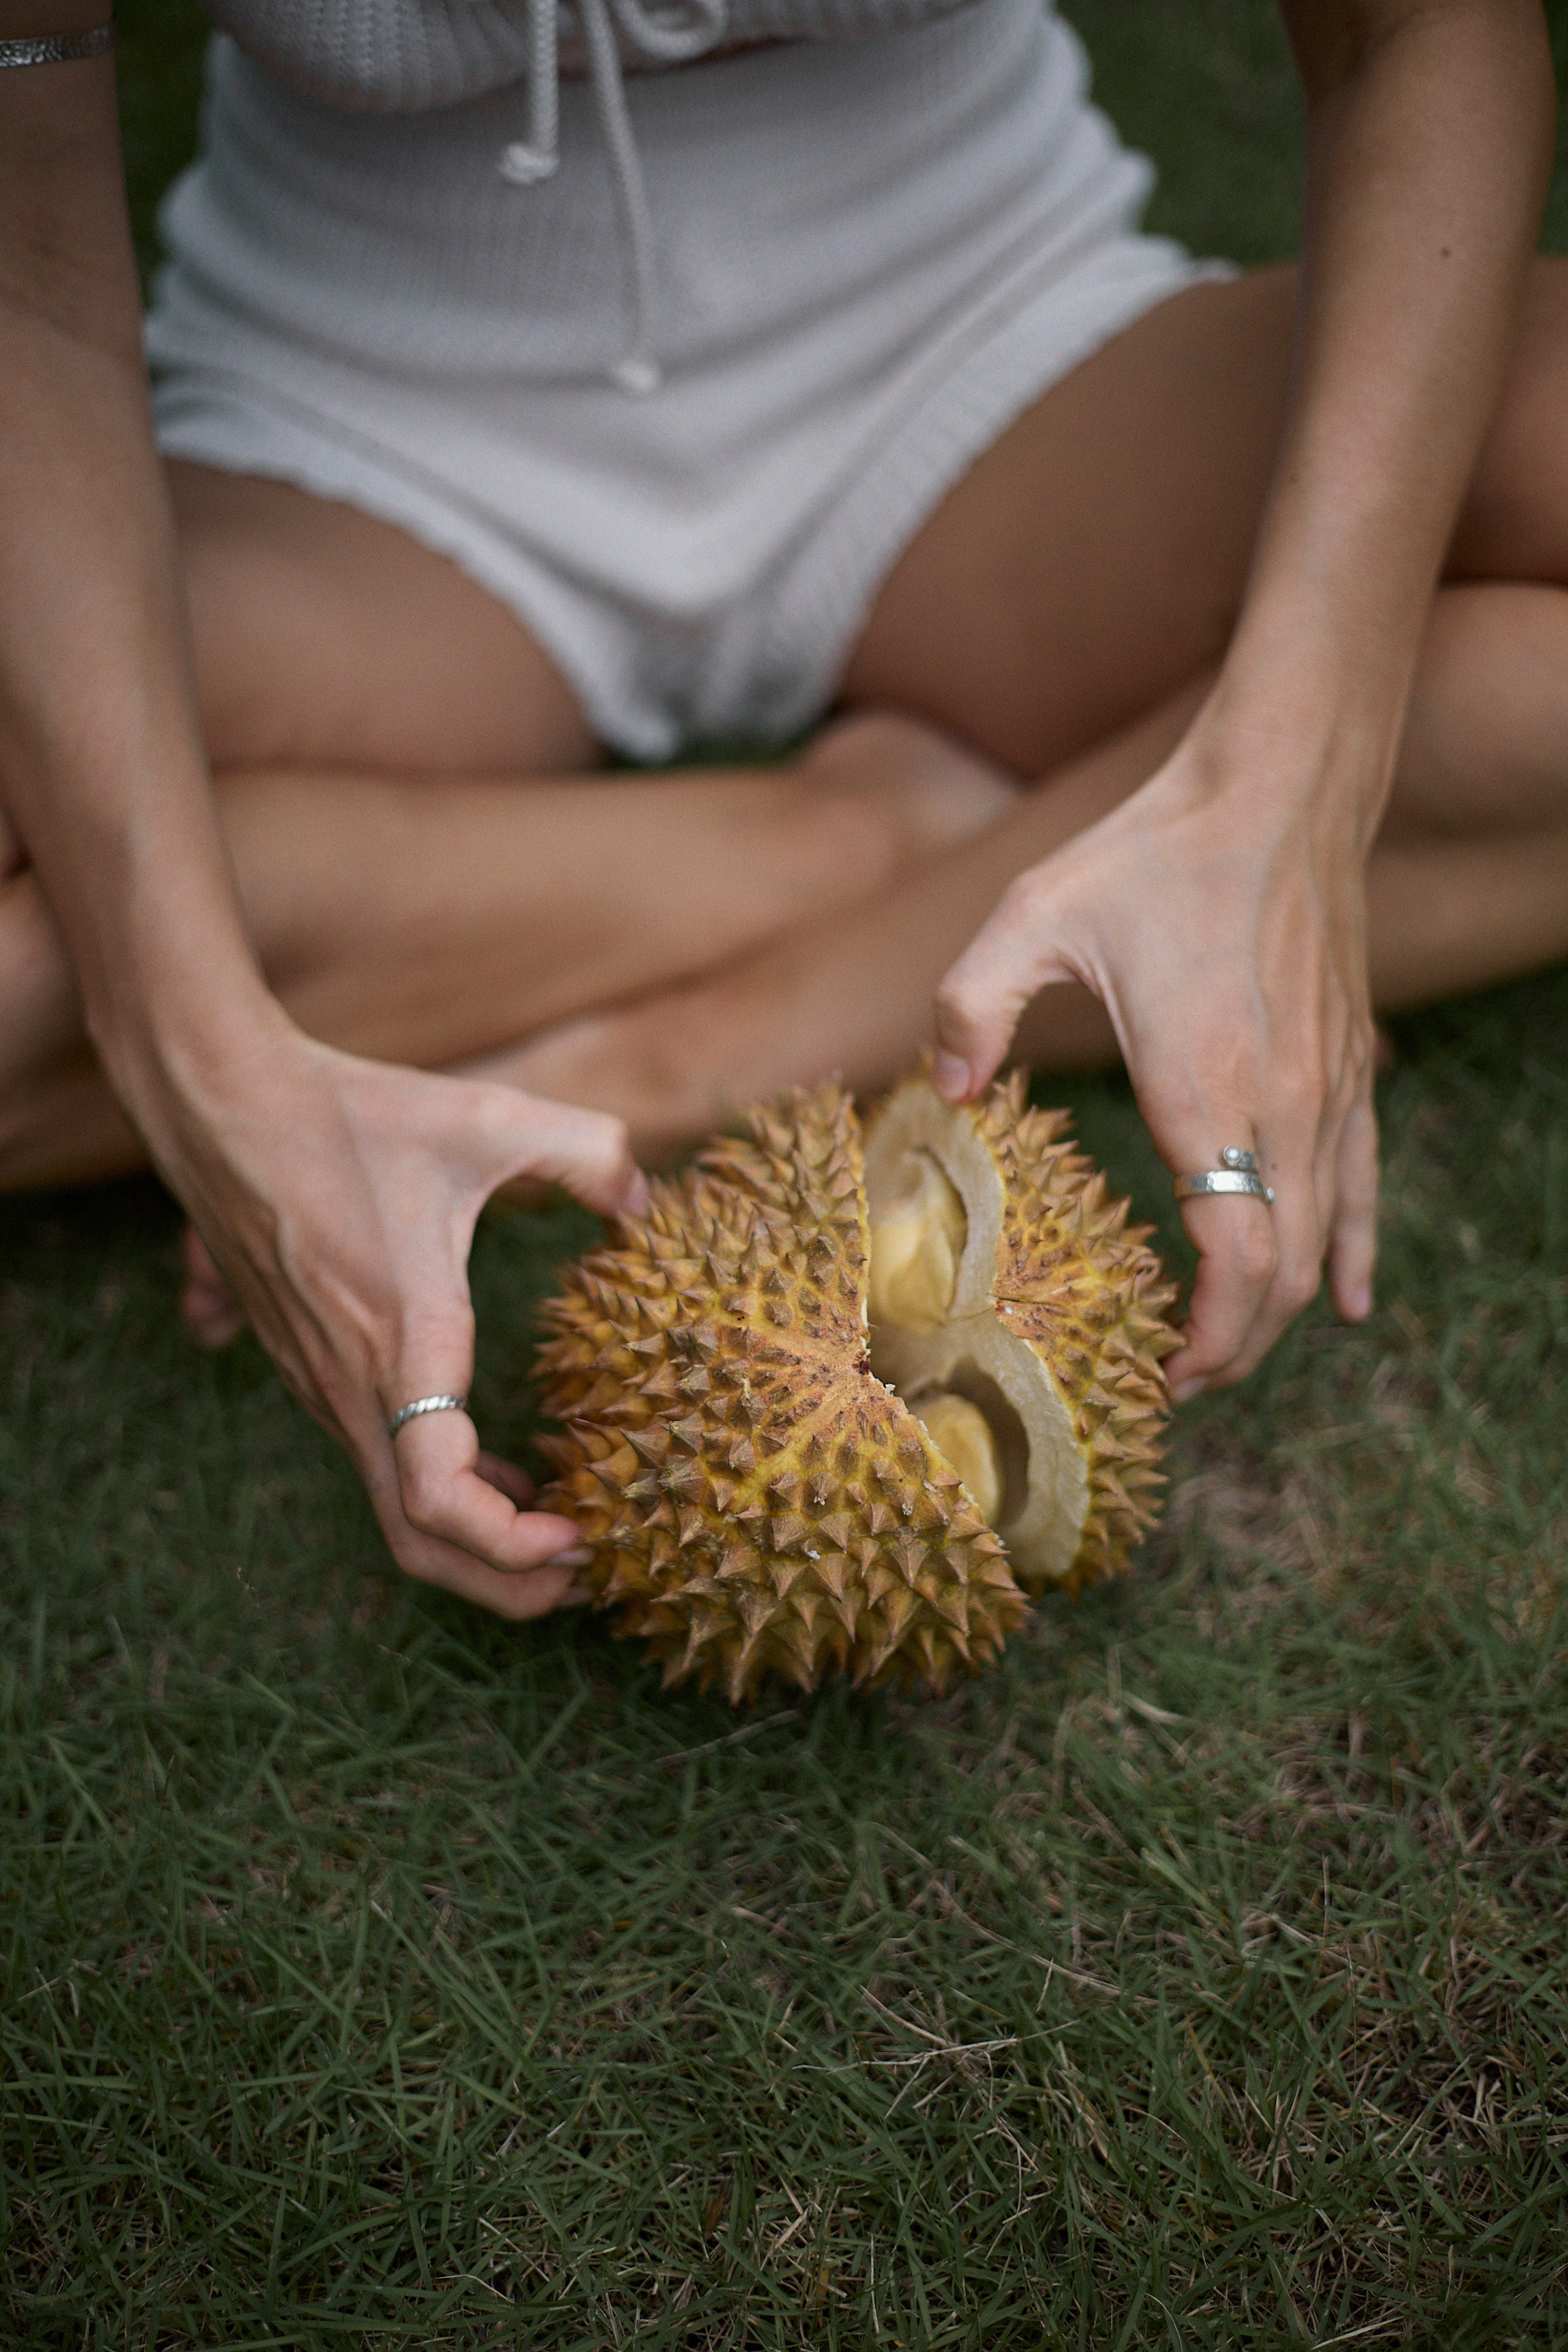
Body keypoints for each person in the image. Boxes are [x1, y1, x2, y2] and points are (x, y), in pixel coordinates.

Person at [3, 0, 1565, 1621]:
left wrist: (1289, 794)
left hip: (994, 343)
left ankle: (718, 1036)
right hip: (348, 440)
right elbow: (19, 256)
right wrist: (204, 1059)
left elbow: (1422, 31)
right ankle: (858, 849)